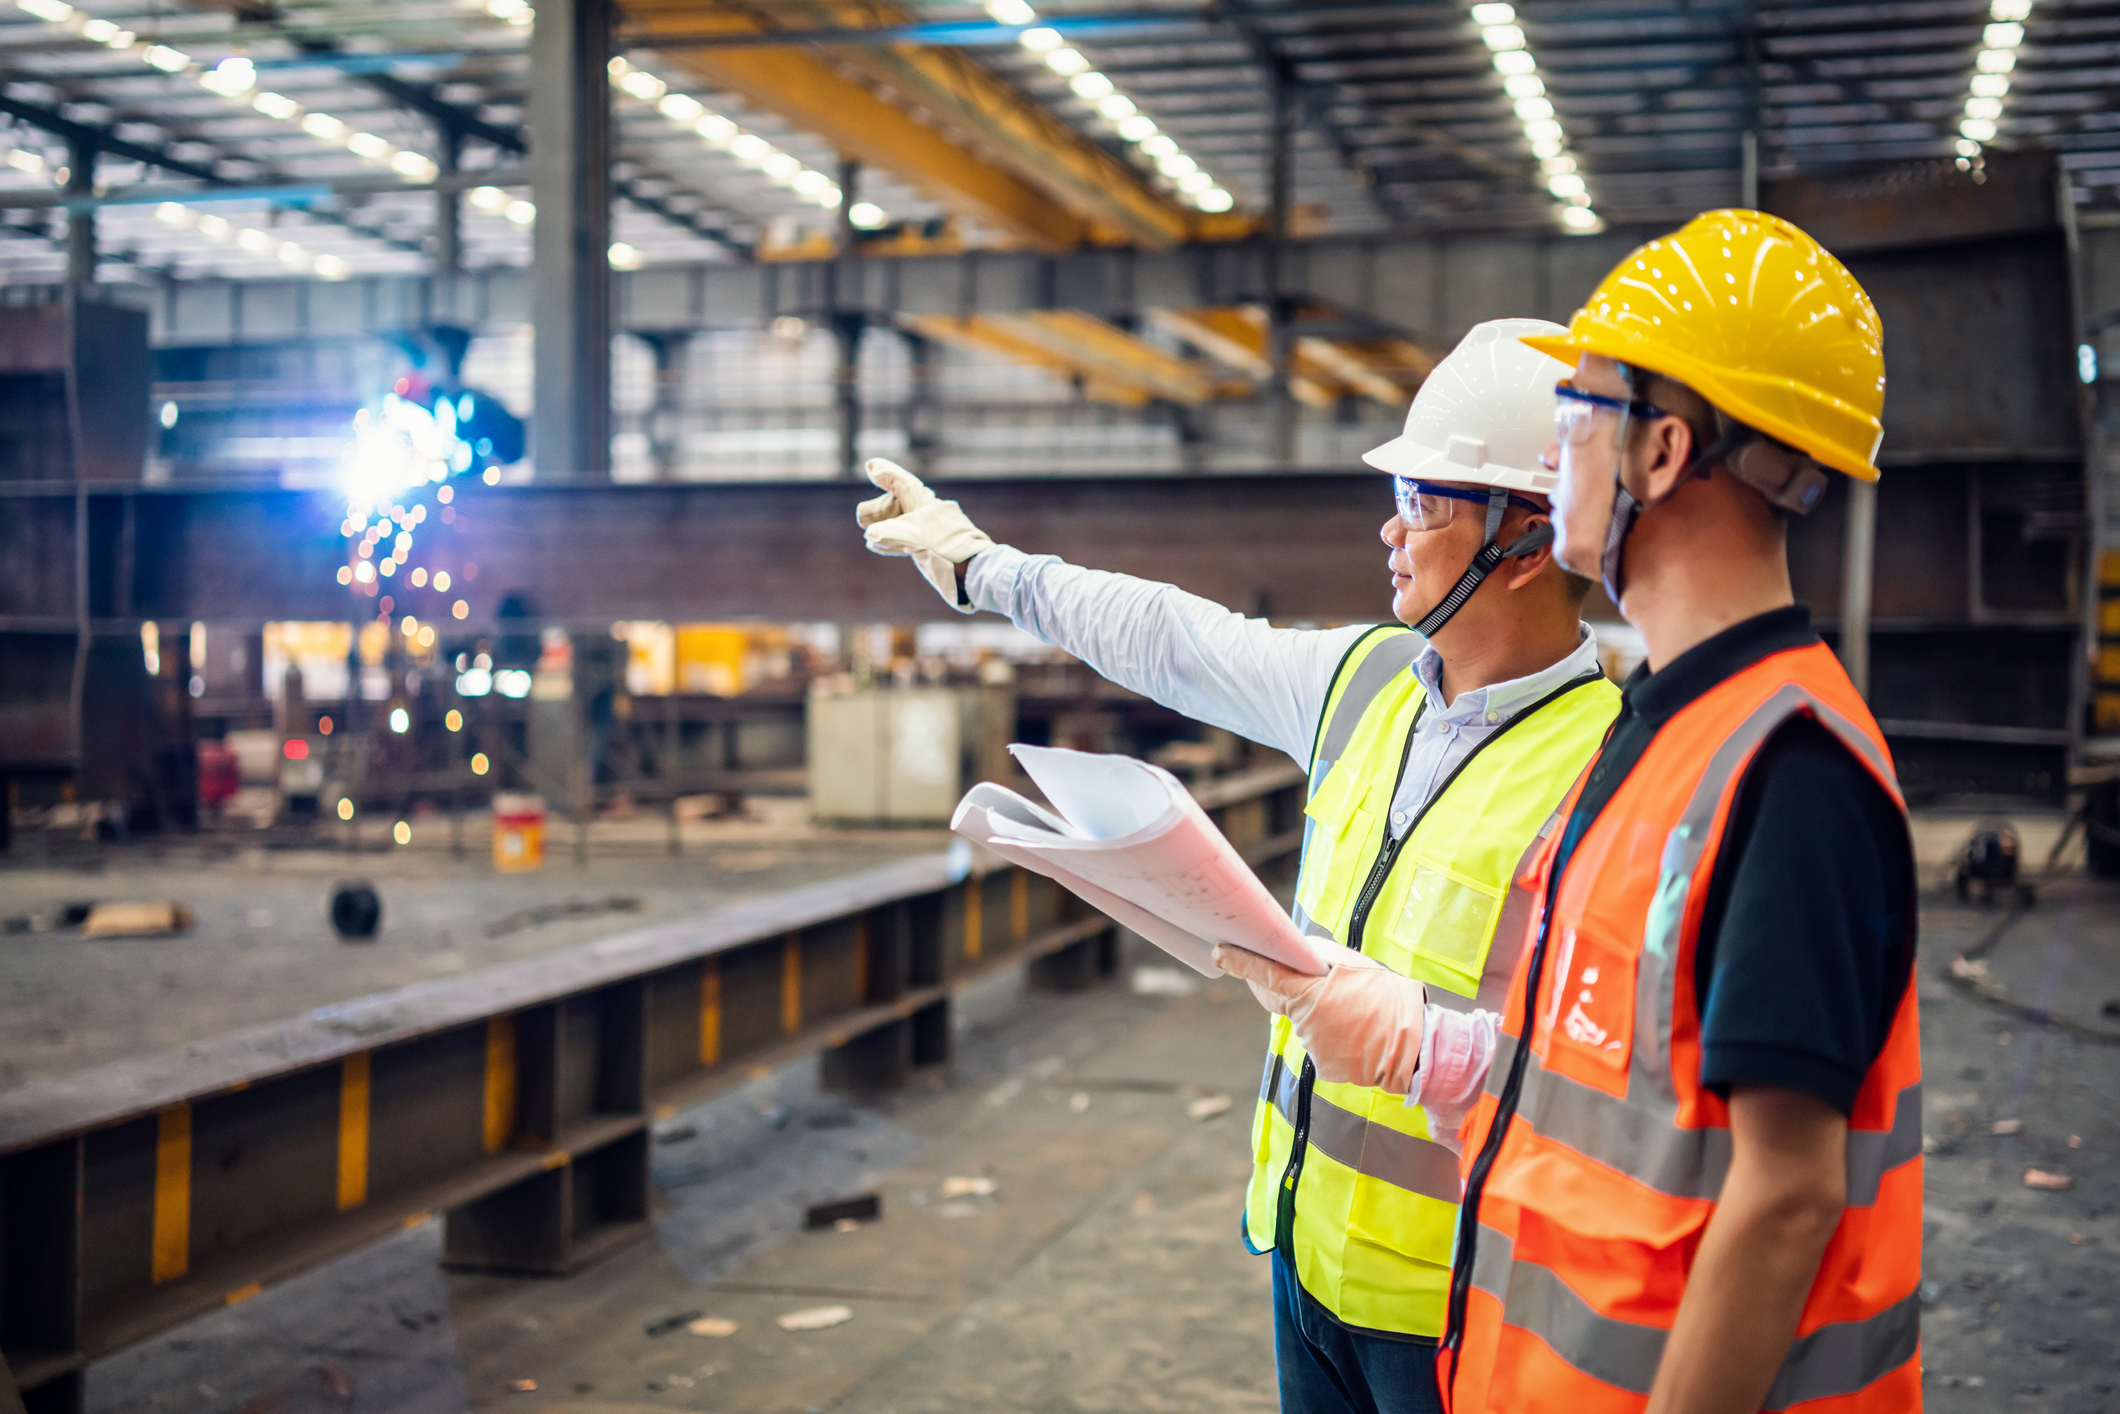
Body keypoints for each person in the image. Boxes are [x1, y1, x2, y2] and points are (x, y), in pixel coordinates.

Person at [1217, 210, 1922, 1414]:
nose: (1552, 457)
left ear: (1658, 452)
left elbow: (1785, 1193)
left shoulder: (1787, 769)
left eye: (1575, 412)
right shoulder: (1654, 723)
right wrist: (1433, 1051)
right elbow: (1623, 1093)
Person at [857, 319, 1622, 1414]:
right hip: (1302, 1254)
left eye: (1422, 503)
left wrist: (1424, 1045)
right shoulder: (1362, 683)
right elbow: (1173, 636)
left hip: (1465, 1302)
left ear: (1527, 541)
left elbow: (1621, 1079)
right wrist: (982, 567)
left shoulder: (1610, 767)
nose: (1388, 532)